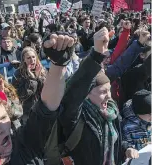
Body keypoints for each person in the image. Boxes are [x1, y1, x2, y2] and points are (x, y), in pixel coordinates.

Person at [0, 33, 75, 165]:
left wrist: (58, 65)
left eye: (4, 118)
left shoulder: (25, 145)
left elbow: (45, 107)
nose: (2, 128)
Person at [45, 27, 139, 165]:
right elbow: (73, 92)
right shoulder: (75, 117)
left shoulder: (112, 112)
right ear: (86, 94)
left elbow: (115, 141)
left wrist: (126, 149)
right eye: (102, 92)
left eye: (108, 91)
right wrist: (96, 54)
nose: (108, 96)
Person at [12, 47, 47, 124]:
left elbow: (46, 90)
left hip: (42, 108)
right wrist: (32, 79)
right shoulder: (18, 74)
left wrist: (39, 77)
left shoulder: (42, 70)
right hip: (27, 111)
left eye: (33, 57)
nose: (32, 60)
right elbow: (21, 95)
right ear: (24, 60)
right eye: (28, 58)